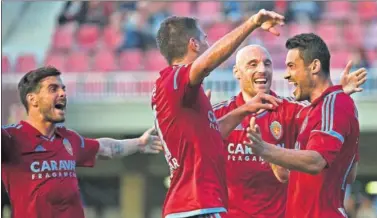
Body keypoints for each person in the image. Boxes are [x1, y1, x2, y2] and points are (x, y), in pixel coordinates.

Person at [152, 9, 285, 218]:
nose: (208, 45)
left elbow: (212, 134)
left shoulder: (183, 92)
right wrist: (253, 23)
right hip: (196, 206)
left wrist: (245, 109)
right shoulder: (176, 78)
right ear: (193, 44)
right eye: (205, 39)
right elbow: (206, 64)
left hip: (191, 206)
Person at [212, 44, 367, 218]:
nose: (262, 69)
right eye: (253, 64)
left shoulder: (294, 110)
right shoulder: (219, 114)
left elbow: (323, 113)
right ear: (236, 72)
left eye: (267, 63)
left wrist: (338, 92)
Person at [1, 66, 163, 218]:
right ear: (33, 99)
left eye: (63, 88)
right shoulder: (11, 138)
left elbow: (107, 148)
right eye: (53, 89)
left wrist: (140, 143)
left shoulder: (70, 139)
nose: (63, 93)